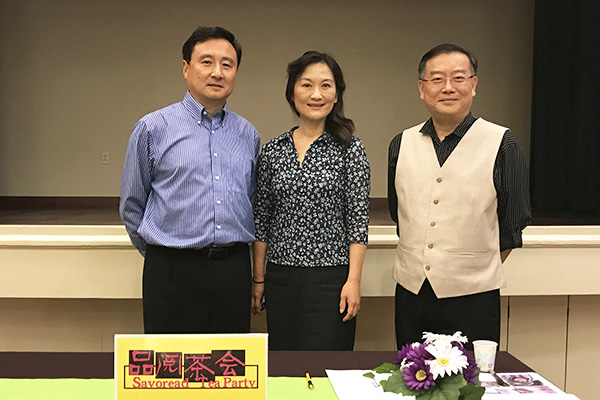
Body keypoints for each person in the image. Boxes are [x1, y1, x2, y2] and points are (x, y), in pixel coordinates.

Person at [388, 44, 530, 350]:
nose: (448, 88)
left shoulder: (502, 143)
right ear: (422, 88)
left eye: (459, 78)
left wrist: (470, 268)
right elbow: (399, 214)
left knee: (470, 378)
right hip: (412, 295)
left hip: (473, 299)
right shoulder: (401, 143)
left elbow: (513, 224)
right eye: (437, 79)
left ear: (474, 84)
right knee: (410, 375)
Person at [119, 26, 260, 334]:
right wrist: (166, 257)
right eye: (206, 62)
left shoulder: (248, 134)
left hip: (233, 269)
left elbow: (250, 200)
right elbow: (132, 205)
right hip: (172, 270)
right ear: (186, 68)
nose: (217, 72)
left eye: (227, 64)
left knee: (228, 360)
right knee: (171, 361)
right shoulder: (153, 128)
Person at [252, 51, 370, 350]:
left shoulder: (350, 149)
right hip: (281, 279)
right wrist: (259, 279)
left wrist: (353, 282)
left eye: (326, 85)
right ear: (292, 92)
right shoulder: (273, 150)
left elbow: (358, 223)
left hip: (332, 280)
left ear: (336, 94)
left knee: (329, 364)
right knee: (285, 363)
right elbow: (262, 220)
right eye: (306, 85)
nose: (316, 94)